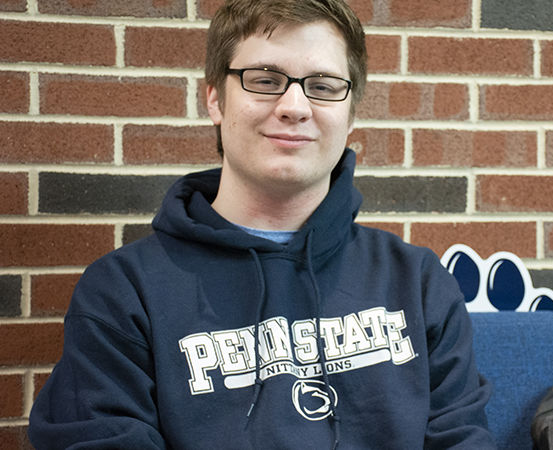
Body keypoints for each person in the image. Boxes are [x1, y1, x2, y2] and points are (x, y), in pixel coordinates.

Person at [27, 0, 495, 448]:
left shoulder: (416, 281)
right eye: (266, 79)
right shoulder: (123, 291)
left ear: (350, 114)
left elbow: (461, 438)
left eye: (324, 85)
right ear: (214, 99)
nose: (295, 106)